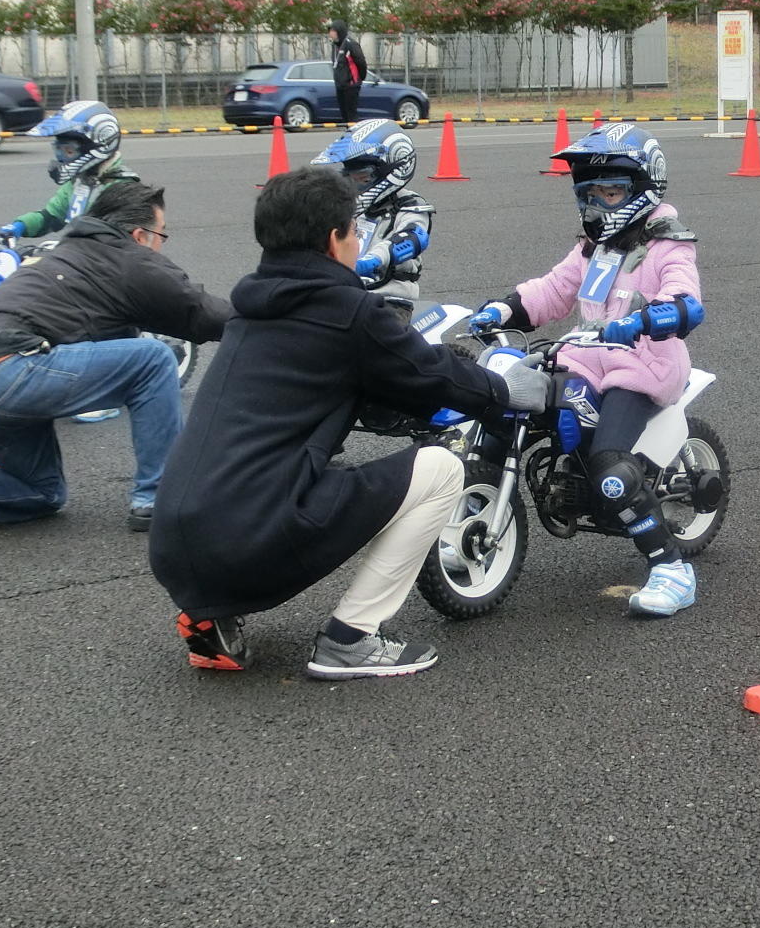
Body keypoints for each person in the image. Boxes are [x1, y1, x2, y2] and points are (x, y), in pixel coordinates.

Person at [149, 168, 551, 679]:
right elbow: (432, 374)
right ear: (334, 239)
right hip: (249, 541)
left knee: (264, 471)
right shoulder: (348, 311)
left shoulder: (250, 310)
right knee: (442, 469)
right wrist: (504, 390)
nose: (359, 240)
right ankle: (351, 639)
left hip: (174, 544)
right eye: (355, 231)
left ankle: (211, 618)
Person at [467, 123, 706, 616]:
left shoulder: (668, 244)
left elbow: (686, 299)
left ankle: (671, 569)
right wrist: (504, 309)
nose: (599, 205)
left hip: (643, 365)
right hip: (589, 358)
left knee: (610, 466)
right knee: (507, 411)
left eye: (612, 192)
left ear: (644, 188)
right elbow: (553, 290)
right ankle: (473, 503)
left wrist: (648, 319)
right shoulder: (594, 247)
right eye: (589, 194)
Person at [0, 181, 230, 537]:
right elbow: (203, 312)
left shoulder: (60, 250)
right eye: (161, 235)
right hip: (14, 368)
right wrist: (275, 311)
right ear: (139, 234)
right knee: (153, 359)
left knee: (43, 494)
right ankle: (161, 496)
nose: (161, 245)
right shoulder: (127, 259)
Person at [310, 120, 431, 309]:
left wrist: (374, 260)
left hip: (389, 301)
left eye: (362, 178)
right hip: (350, 294)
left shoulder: (409, 205)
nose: (353, 185)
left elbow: (415, 237)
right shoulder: (352, 209)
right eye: (348, 178)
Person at [0, 99, 134, 247]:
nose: (62, 158)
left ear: (101, 142)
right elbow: (51, 217)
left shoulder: (122, 190)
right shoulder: (80, 181)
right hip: (77, 259)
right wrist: (19, 227)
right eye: (58, 150)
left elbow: (118, 245)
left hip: (106, 264)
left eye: (69, 151)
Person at [327, 18, 367, 125]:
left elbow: (361, 62)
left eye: (333, 31)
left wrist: (359, 79)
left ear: (339, 31)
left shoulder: (350, 44)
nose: (330, 34)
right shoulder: (335, 46)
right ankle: (348, 135)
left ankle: (354, 137)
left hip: (351, 86)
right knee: (344, 115)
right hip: (340, 85)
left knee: (351, 115)